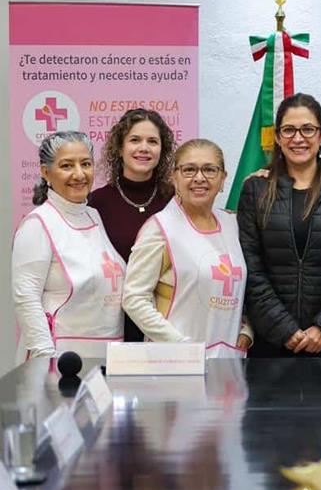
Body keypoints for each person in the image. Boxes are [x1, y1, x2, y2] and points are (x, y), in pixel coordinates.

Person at [238, 93, 321, 357]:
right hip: (272, 342)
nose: (298, 138)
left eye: (307, 129)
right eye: (288, 130)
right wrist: (283, 329)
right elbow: (250, 267)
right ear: (277, 137)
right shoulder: (255, 190)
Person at [122, 139, 251, 357]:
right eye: (189, 170)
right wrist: (181, 345)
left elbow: (244, 289)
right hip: (174, 360)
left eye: (209, 170)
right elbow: (134, 298)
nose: (199, 178)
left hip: (228, 361)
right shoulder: (160, 228)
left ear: (223, 179)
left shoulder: (233, 224)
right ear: (174, 177)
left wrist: (247, 329)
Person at [12, 131, 124, 360]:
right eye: (67, 166)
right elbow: (26, 298)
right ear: (46, 172)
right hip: (61, 359)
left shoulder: (93, 216)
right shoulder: (37, 224)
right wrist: (47, 361)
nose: (79, 174)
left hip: (108, 355)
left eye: (86, 164)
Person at [89, 108, 176, 341]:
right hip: (110, 323)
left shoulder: (176, 201)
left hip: (164, 322)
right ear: (119, 148)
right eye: (135, 140)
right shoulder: (96, 203)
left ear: (162, 150)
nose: (144, 148)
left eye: (152, 141)